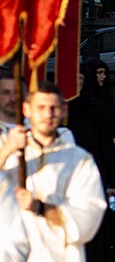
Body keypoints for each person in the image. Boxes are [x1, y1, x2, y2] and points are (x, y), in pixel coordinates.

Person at [0, 82, 106, 262]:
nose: (48, 115)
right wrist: (7, 150)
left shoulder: (79, 160)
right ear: (26, 110)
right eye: (40, 108)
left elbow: (89, 215)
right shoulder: (12, 151)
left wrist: (39, 207)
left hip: (62, 254)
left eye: (54, 108)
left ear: (64, 110)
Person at [67, 60, 115, 262]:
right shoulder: (61, 109)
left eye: (81, 78)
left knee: (98, 217)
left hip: (95, 167)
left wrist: (114, 181)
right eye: (74, 78)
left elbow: (106, 146)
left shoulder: (95, 106)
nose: (77, 82)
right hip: (67, 172)